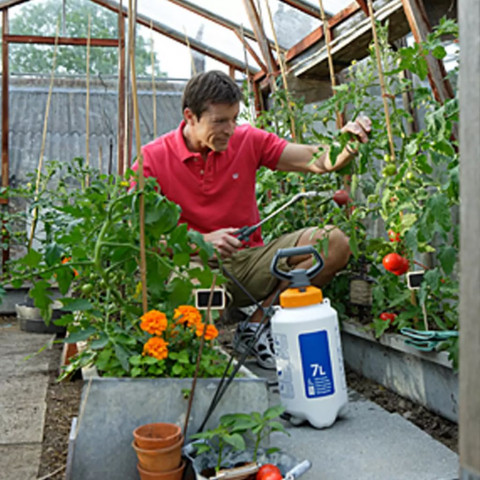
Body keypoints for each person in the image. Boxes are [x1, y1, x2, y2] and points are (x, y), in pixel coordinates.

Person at [133, 70, 371, 369]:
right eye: (220, 121)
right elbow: (137, 234)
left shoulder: (247, 140)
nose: (230, 129)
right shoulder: (152, 159)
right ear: (190, 116)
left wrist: (346, 145)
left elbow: (315, 159)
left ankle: (257, 327)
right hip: (190, 263)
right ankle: (201, 366)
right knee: (200, 290)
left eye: (234, 119)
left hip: (248, 262)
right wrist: (200, 241)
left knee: (333, 242)